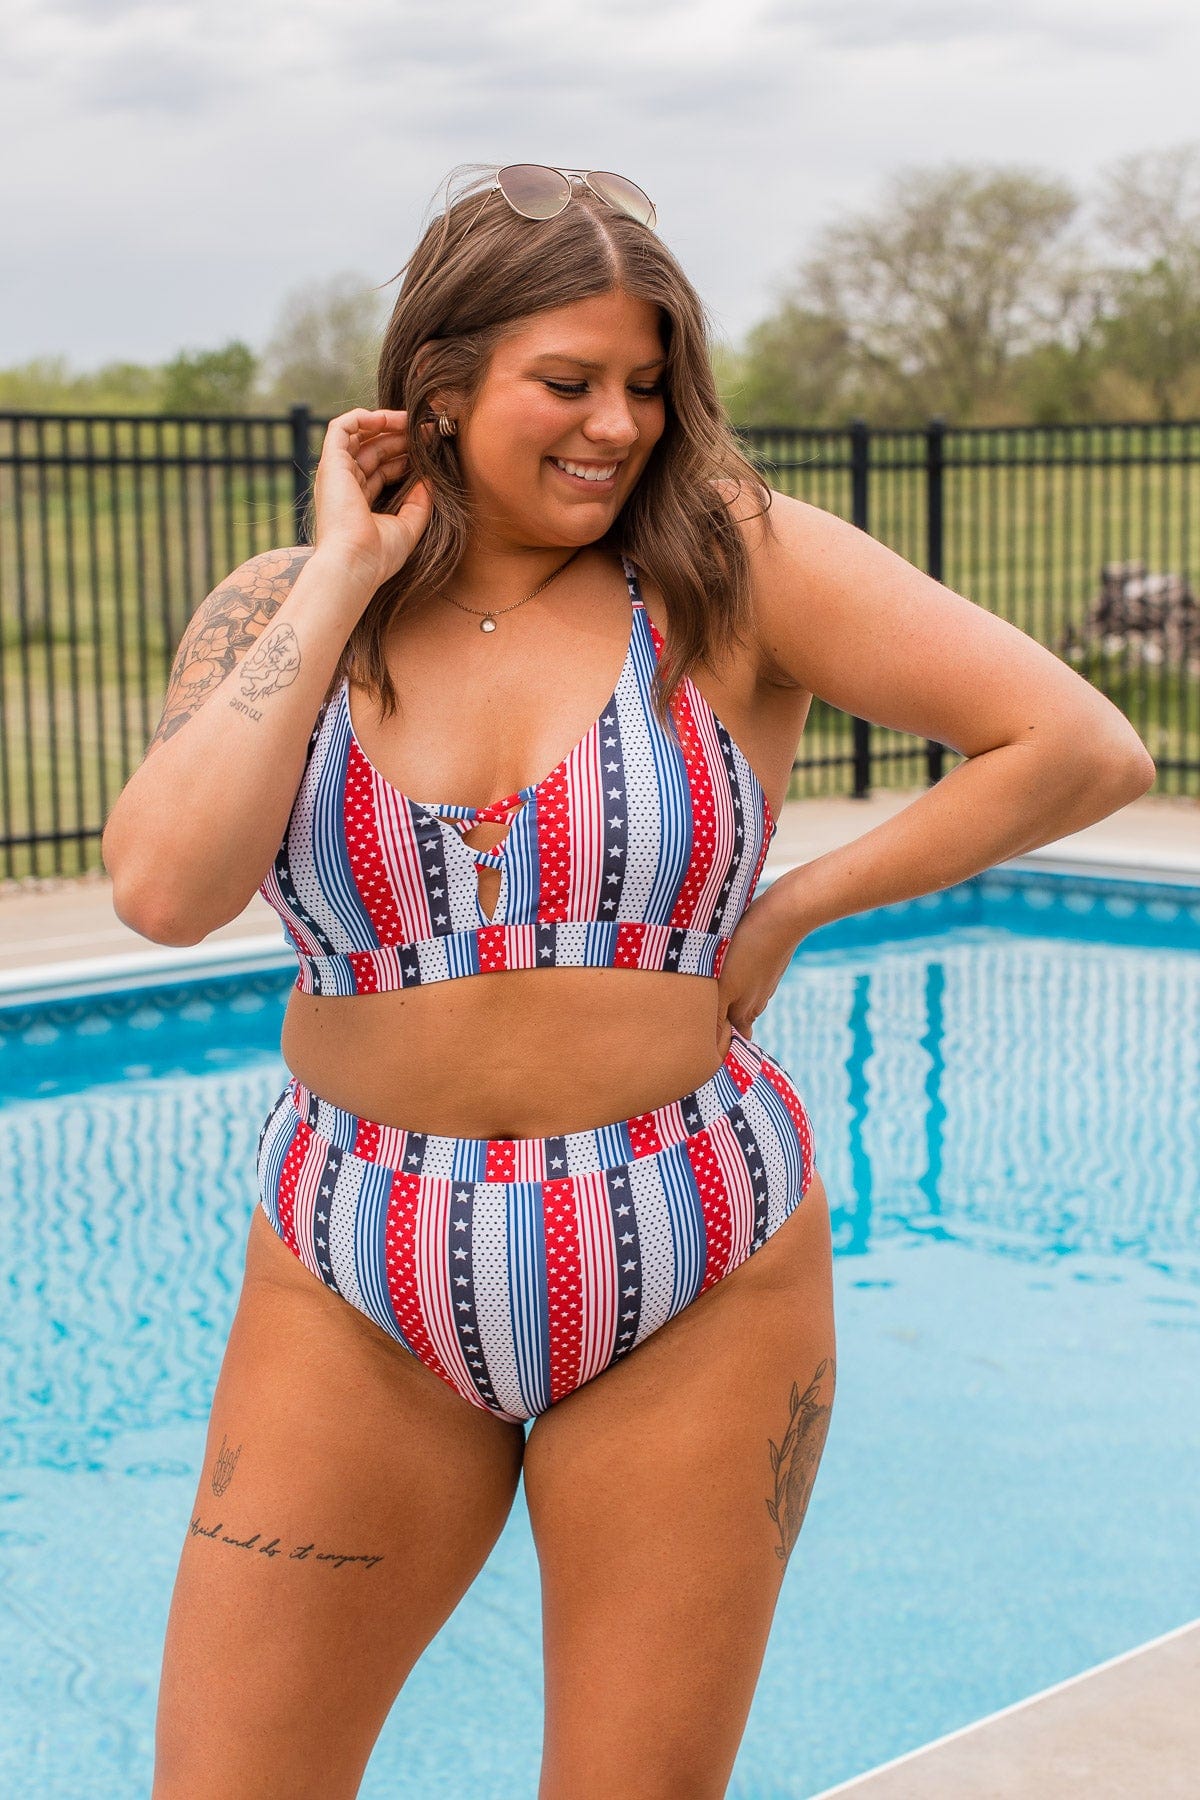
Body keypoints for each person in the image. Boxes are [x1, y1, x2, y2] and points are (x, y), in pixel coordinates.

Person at [102, 163, 1155, 1800]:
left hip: (691, 1253)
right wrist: (334, 577)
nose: (619, 425)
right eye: (570, 383)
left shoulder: (729, 561)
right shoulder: (282, 607)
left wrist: (797, 904)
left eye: (649, 385)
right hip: (355, 1261)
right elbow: (165, 891)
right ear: (436, 391)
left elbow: (1078, 745)